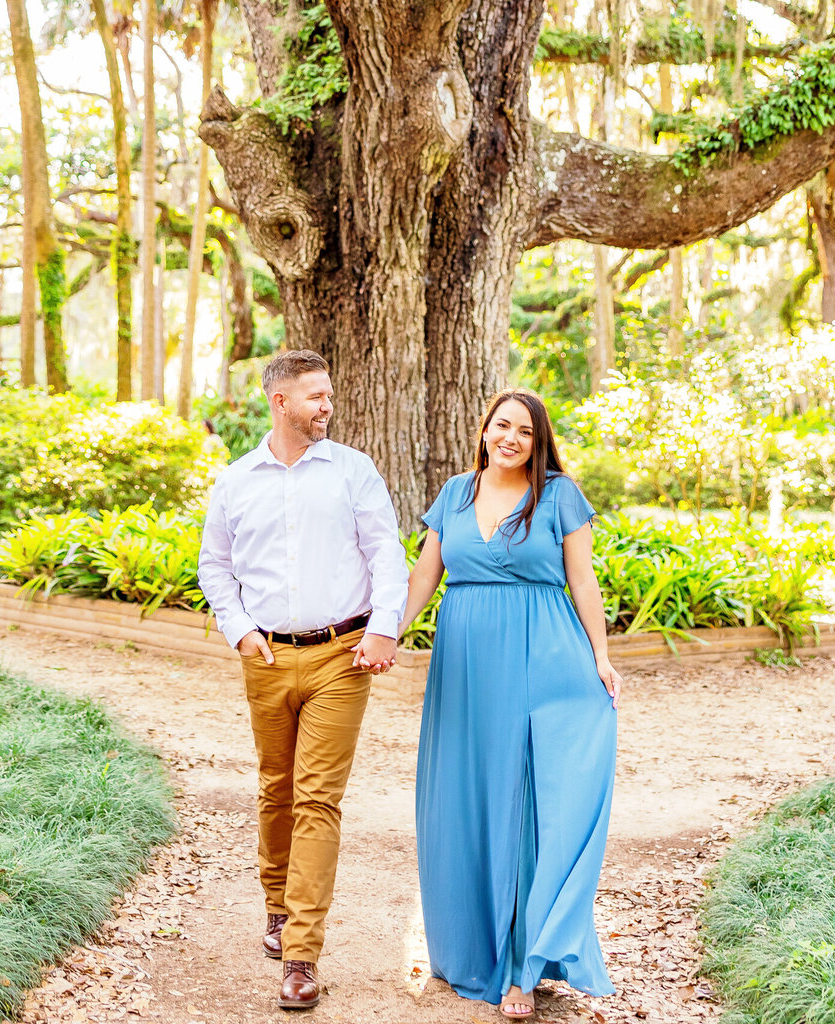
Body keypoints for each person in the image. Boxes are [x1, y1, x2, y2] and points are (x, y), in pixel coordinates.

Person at [198, 349, 408, 1011]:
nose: (328, 406)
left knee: (317, 799)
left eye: (329, 394)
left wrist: (384, 626)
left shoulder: (354, 471)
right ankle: (275, 905)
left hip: (342, 656)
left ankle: (301, 952)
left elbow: (386, 552)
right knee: (276, 788)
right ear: (280, 402)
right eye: (315, 396)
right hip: (264, 658)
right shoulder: (235, 481)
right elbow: (215, 568)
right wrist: (239, 630)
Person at [402, 390, 621, 1019]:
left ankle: (522, 967)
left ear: (538, 440)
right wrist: (388, 632)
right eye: (503, 426)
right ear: (484, 430)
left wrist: (600, 658)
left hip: (545, 658)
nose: (512, 439)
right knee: (469, 798)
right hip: (466, 666)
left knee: (528, 806)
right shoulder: (454, 494)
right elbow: (425, 576)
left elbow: (583, 579)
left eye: (525, 431)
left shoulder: (559, 495)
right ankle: (469, 946)